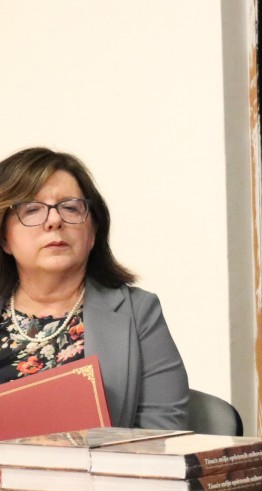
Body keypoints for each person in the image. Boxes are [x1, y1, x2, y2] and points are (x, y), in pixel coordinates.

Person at [0, 147, 188, 428]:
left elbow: (163, 432)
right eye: (32, 209)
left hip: (105, 459)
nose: (55, 221)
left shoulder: (139, 313)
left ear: (93, 233)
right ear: (4, 238)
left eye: (70, 208)